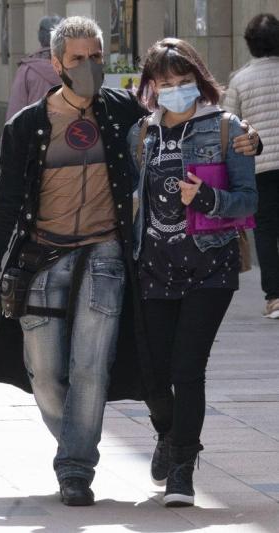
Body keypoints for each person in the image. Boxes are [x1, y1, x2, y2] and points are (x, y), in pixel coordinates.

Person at [0, 16, 260, 507]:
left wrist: (247, 139)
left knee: (93, 366)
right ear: (56, 62)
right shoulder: (28, 126)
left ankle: (77, 469)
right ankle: (78, 444)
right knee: (43, 371)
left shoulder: (124, 112)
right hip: (43, 256)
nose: (88, 67)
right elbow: (6, 203)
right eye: (78, 59)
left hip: (107, 253)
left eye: (96, 57)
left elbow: (194, 128)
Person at [128, 38, 257, 508]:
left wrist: (205, 199)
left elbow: (248, 200)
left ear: (199, 82)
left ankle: (182, 467)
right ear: (152, 87)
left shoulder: (227, 129)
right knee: (155, 373)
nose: (176, 90)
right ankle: (168, 433)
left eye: (184, 82)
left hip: (211, 265)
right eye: (166, 83)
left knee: (187, 368)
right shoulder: (141, 134)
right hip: (155, 266)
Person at [224, 13, 279, 319]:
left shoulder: (240, 80)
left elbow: (230, 125)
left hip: (262, 167)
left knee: (267, 232)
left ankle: (275, 297)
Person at [6, 15, 63, 120]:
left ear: (40, 36)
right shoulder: (75, 68)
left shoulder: (27, 70)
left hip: (35, 131)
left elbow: (16, 108)